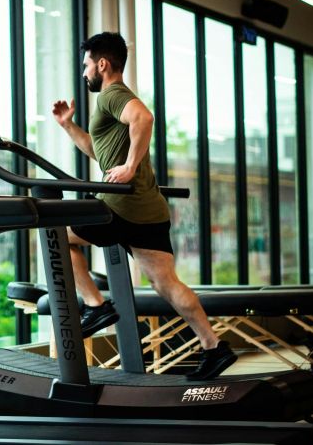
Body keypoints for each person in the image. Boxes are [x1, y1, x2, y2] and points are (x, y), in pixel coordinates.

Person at [52, 31, 236, 380]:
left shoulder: (112, 95)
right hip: (148, 209)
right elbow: (98, 151)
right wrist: (68, 125)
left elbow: (144, 119)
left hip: (120, 206)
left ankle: (95, 306)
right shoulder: (114, 100)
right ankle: (214, 346)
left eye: (86, 65)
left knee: (56, 235)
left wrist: (129, 166)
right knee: (167, 284)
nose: (84, 73)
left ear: (102, 64)